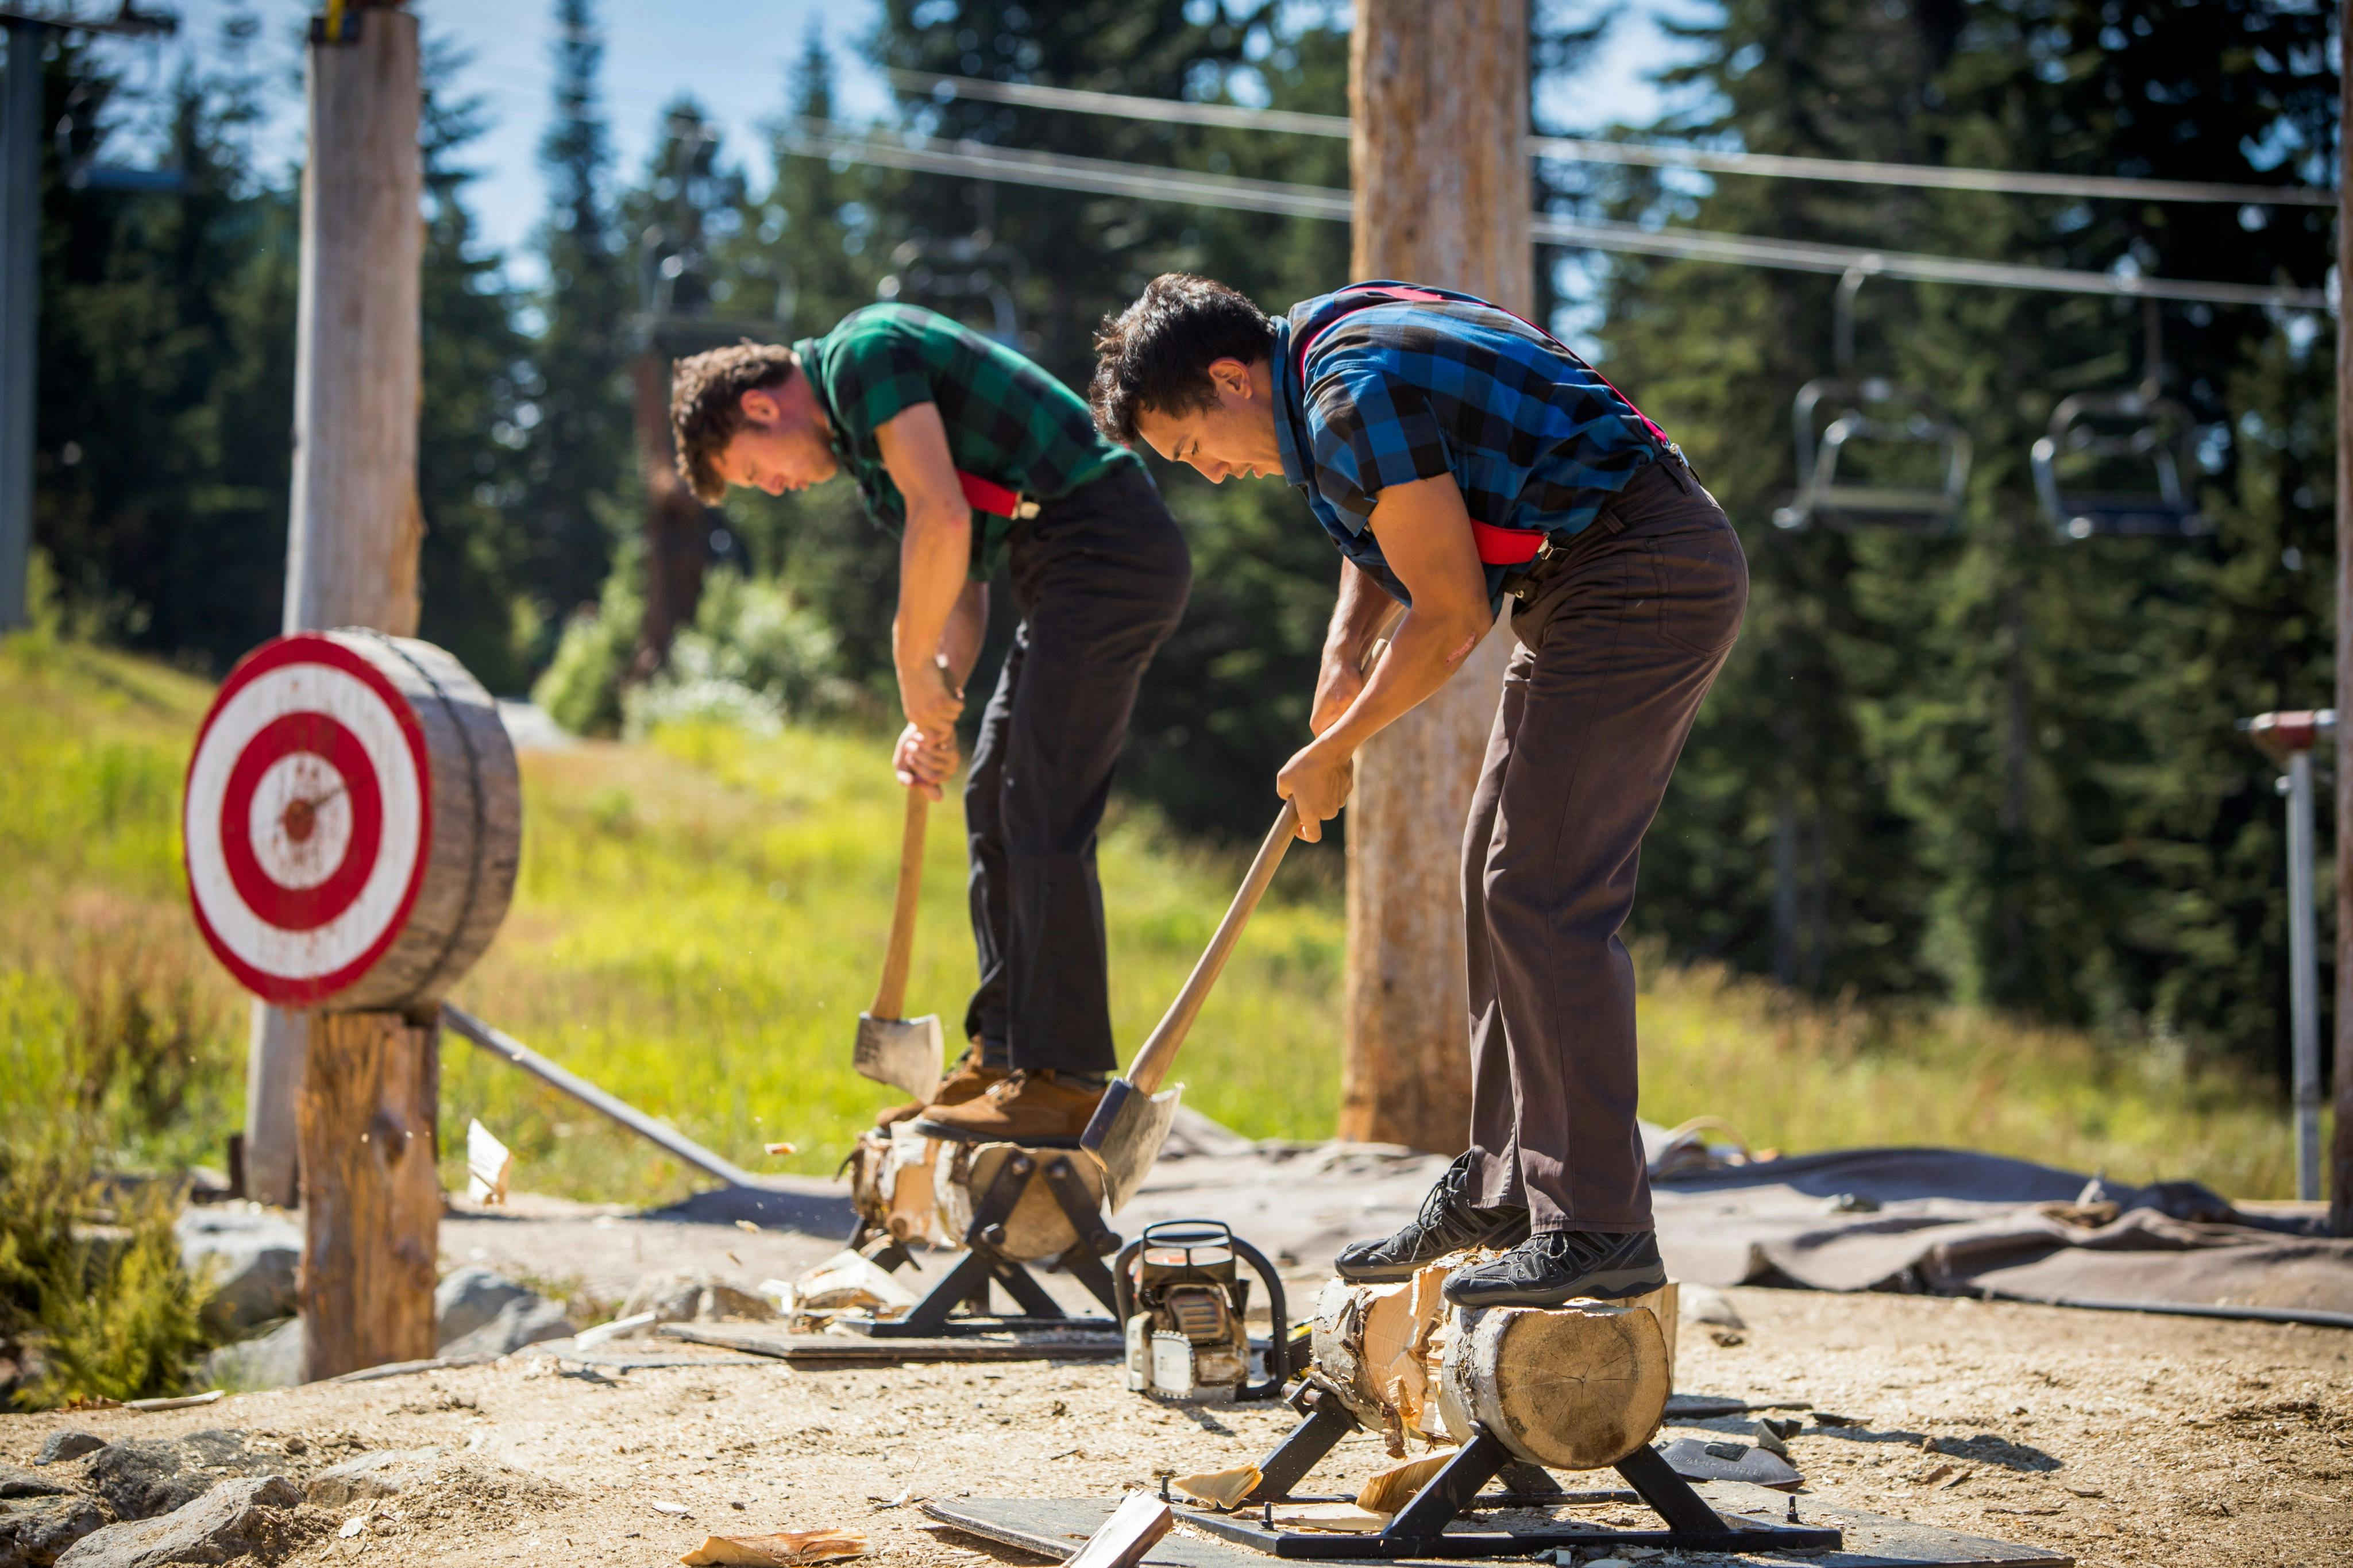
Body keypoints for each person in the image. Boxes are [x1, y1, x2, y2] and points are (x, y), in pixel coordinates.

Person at [1087, 276, 1745, 1306]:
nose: (1211, 476)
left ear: (1228, 379)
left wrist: (1339, 747)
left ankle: (1599, 1223)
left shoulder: (1346, 393)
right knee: (1499, 873)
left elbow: (1447, 619)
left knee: (1544, 892)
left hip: (1641, 572)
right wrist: (1346, 650)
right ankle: (1506, 1186)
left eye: (1191, 448)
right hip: (1589, 578)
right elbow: (1404, 500)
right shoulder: (1318, 351)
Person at [671, 304, 1190, 1144]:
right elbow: (963, 581)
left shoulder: (863, 354)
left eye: (755, 471)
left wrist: (911, 663)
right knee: (990, 790)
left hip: (1109, 543)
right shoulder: (871, 462)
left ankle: (1063, 1080)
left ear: (762, 409)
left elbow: (942, 518)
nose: (776, 488)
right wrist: (936, 706)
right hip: (1057, 566)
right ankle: (1006, 1051)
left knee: (1041, 800)